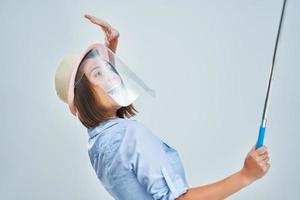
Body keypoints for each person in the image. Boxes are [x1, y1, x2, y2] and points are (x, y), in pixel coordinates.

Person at [54, 14, 271, 200]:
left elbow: (98, 105)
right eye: (98, 73)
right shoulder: (130, 136)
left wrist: (110, 52)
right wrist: (245, 175)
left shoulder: (97, 144)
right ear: (82, 98)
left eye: (109, 70)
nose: (112, 77)